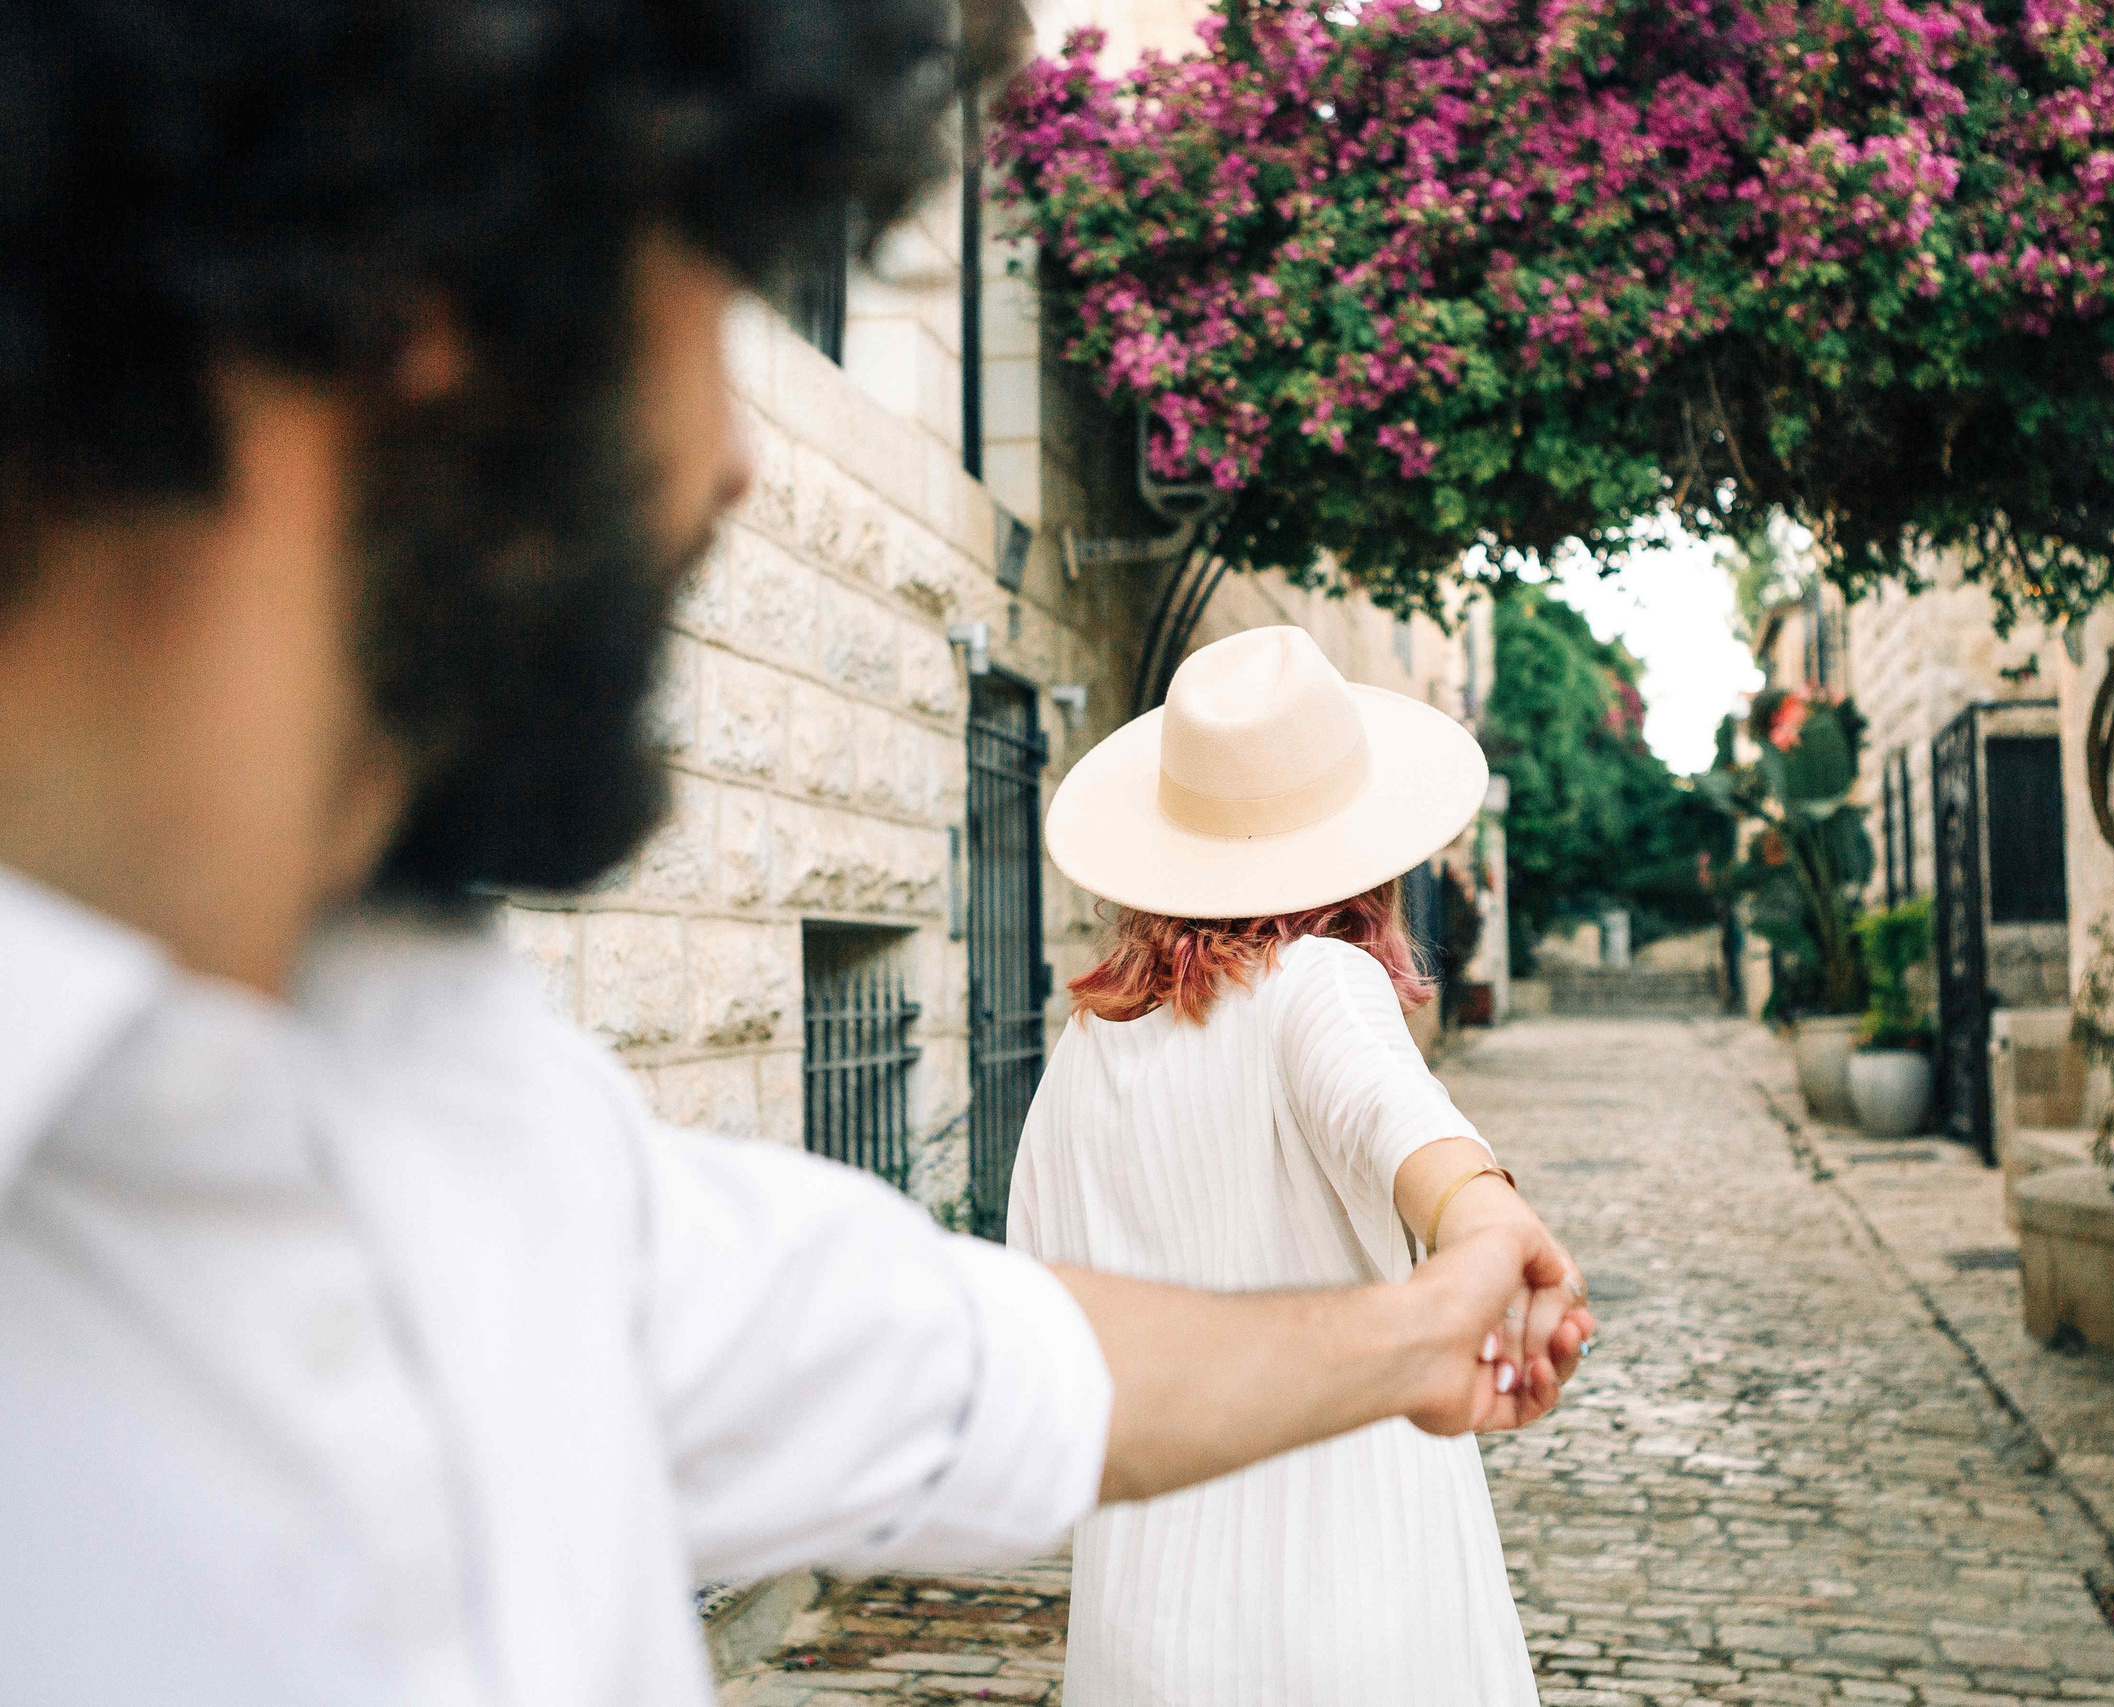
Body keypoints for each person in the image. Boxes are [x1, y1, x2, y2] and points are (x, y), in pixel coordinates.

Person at [0, 3, 1591, 1699]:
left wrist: (1417, 1331)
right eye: (706, 290)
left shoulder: (481, 1118)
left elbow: (995, 1363)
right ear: (425, 301)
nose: (737, 457)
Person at [1012, 625, 1584, 1705]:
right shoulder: (1319, 981)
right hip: (1346, 1597)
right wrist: (1487, 1221)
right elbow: (1403, 1128)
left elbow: (1044, 1320)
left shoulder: (1085, 1049)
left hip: (1145, 1617)